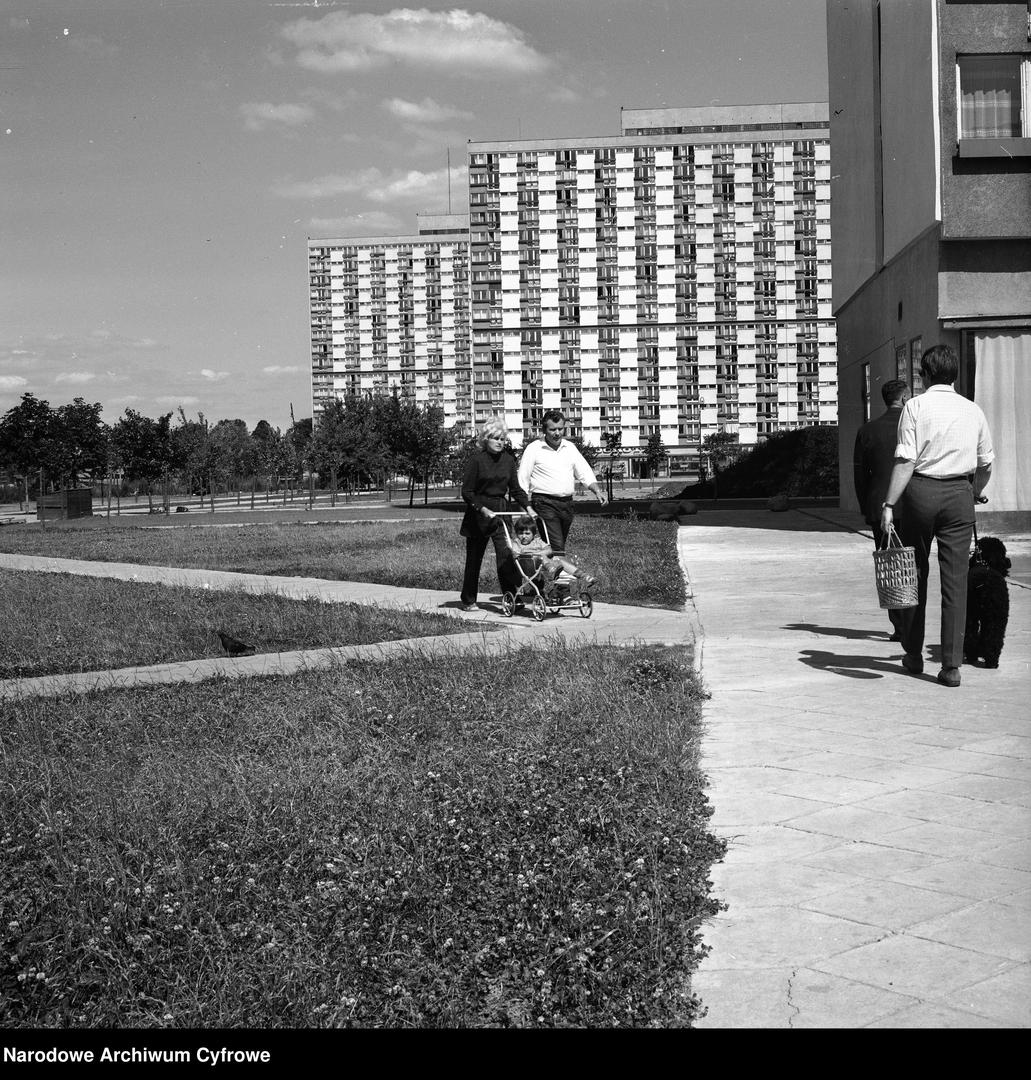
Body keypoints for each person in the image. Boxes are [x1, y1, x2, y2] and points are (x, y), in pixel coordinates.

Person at [880, 345, 994, 688]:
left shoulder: (915, 406)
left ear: (925, 374)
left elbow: (905, 460)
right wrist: (974, 491)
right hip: (960, 494)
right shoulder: (973, 410)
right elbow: (986, 462)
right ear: (954, 375)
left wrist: (889, 504)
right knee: (955, 580)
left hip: (920, 494)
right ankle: (951, 665)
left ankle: (913, 654)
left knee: (913, 574)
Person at [853, 378, 910, 640]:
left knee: (890, 565)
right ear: (905, 397)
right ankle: (913, 621)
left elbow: (860, 476)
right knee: (914, 564)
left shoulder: (868, 431)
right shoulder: (912, 426)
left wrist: (867, 507)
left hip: (880, 507)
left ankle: (899, 624)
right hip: (912, 504)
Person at [459, 419, 534, 612]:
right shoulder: (477, 460)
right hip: (479, 512)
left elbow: (516, 490)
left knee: (507, 555)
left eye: (502, 439)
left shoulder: (508, 460)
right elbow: (467, 492)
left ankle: (512, 597)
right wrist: (482, 509)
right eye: (495, 438)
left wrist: (528, 507)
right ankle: (468, 599)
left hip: (501, 511)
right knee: (474, 559)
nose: (499, 442)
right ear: (486, 439)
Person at [516, 410, 607, 555]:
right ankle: (562, 576)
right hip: (544, 503)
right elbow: (522, 480)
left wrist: (597, 491)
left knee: (554, 547)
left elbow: (584, 472)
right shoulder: (534, 449)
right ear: (544, 430)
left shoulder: (569, 447)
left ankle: (539, 575)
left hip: (567, 505)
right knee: (557, 547)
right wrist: (524, 511)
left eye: (560, 429)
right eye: (552, 429)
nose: (557, 433)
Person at [510, 515, 597, 595]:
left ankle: (584, 576)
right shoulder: (516, 543)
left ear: (533, 534)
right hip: (527, 565)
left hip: (542, 564)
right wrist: (533, 554)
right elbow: (516, 553)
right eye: (520, 534)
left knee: (559, 559)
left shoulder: (537, 541)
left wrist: (538, 553)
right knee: (542, 557)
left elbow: (549, 549)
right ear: (517, 534)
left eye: (527, 533)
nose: (524, 536)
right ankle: (553, 570)